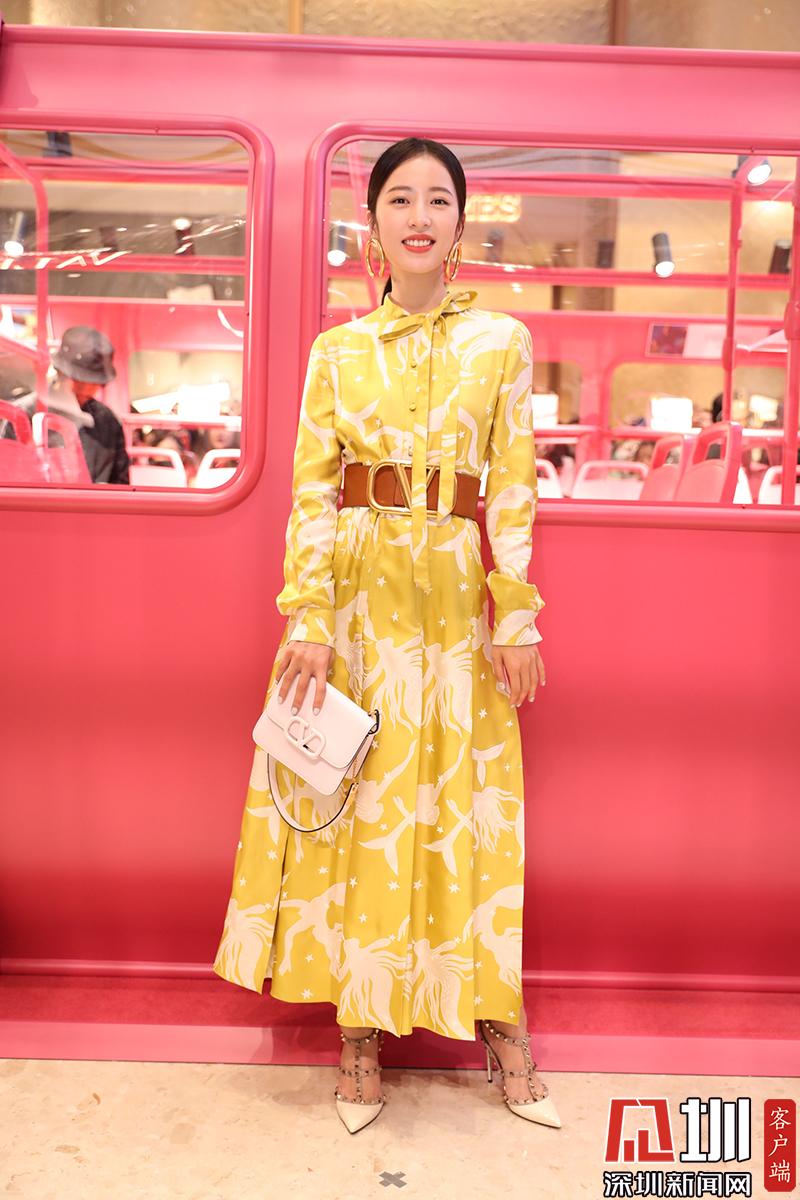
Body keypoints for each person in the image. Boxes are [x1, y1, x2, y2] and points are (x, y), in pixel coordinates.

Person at [212, 137, 560, 1135]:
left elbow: (512, 486)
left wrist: (516, 613)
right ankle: (358, 1027)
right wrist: (309, 618)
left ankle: (496, 1019)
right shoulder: (338, 351)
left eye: (436, 199)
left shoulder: (501, 342)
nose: (418, 215)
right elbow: (311, 492)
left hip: (455, 602)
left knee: (467, 804)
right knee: (356, 800)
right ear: (372, 225)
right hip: (361, 601)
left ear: (460, 224)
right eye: (399, 198)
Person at [50, 326, 130, 484]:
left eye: (93, 382)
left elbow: (120, 483)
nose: (87, 388)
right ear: (60, 372)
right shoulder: (27, 415)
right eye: (78, 380)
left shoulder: (108, 421)